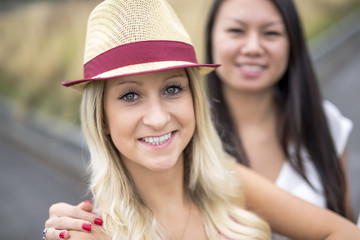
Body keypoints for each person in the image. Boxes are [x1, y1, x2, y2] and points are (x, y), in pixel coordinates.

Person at [42, 0, 360, 239]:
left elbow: (342, 231)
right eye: (129, 95)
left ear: (195, 98)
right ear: (103, 119)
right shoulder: (95, 231)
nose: (157, 117)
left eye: (172, 88)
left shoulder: (230, 182)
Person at [205, 0, 354, 237]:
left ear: (292, 43)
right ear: (211, 38)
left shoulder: (324, 122)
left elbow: (345, 223)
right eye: (236, 31)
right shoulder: (188, 134)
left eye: (271, 33)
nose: (253, 47)